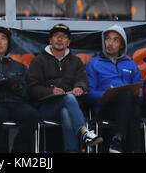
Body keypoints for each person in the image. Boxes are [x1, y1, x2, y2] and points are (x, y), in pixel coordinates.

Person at [27, 24, 103, 153]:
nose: (60, 39)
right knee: (68, 98)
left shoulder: (76, 61)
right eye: (56, 36)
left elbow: (83, 81)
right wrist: (51, 91)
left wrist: (79, 88)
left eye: (63, 37)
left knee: (66, 112)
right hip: (46, 108)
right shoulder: (38, 60)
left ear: (68, 42)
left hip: (70, 109)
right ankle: (84, 131)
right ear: (50, 40)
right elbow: (32, 88)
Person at [86, 24, 143, 153]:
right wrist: (109, 94)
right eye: (107, 39)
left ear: (122, 45)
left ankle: (118, 141)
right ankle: (129, 146)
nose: (110, 43)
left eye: (115, 40)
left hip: (128, 106)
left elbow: (140, 94)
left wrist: (140, 94)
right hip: (105, 108)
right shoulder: (94, 63)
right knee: (127, 99)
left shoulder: (131, 64)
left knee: (132, 103)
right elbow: (89, 94)